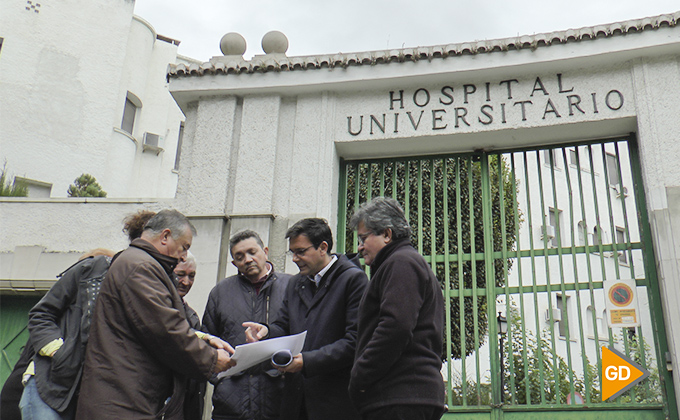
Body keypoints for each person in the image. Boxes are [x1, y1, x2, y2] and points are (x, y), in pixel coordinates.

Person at [76, 209, 236, 420]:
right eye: (184, 247)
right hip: (123, 402)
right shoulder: (141, 267)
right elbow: (165, 330)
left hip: (124, 397)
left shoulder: (137, 263)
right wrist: (211, 359)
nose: (183, 255)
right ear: (165, 236)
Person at [5, 210, 156, 420]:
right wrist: (61, 353)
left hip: (86, 395)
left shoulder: (143, 286)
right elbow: (41, 314)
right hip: (51, 387)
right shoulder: (90, 271)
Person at [244, 218, 368, 420]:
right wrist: (266, 332)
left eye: (300, 251)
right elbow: (284, 326)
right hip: (296, 401)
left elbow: (355, 342)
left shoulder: (353, 280)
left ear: (323, 247)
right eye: (292, 252)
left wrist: (307, 362)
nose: (294, 258)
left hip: (336, 401)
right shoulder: (296, 284)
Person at [348, 197, 446, 420]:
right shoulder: (403, 262)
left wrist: (360, 377)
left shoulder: (400, 263)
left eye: (363, 238)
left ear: (387, 234)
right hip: (406, 396)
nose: (359, 247)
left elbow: (396, 326)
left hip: (399, 396)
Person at [203, 230, 291, 420]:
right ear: (234, 263)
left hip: (280, 401)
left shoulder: (290, 287)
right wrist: (221, 380)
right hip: (231, 404)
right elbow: (207, 342)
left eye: (252, 252)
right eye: (240, 256)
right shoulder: (220, 292)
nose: (248, 259)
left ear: (265, 251)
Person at [174, 251, 207, 420]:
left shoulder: (192, 316)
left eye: (191, 276)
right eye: (180, 275)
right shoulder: (159, 310)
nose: (186, 282)